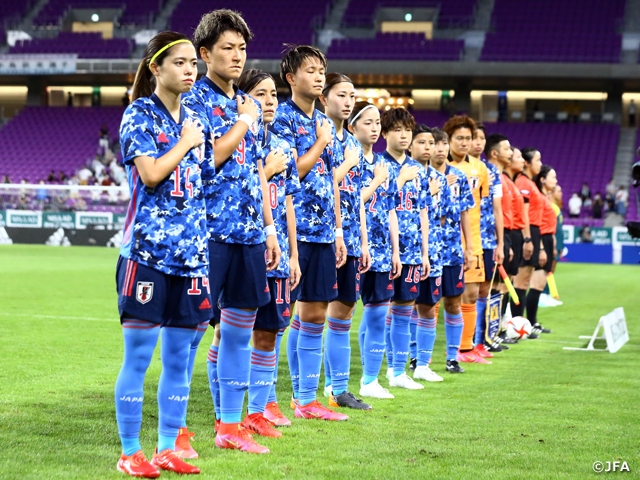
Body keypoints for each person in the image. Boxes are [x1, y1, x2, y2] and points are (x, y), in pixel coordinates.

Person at [114, 30, 211, 478]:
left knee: (178, 358)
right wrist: (187, 142)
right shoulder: (139, 115)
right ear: (156, 68)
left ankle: (167, 447)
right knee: (138, 356)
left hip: (191, 259)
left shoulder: (197, 119)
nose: (190, 70)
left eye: (194, 63)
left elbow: (203, 189)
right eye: (180, 63)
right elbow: (151, 173)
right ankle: (131, 451)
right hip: (147, 255)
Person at [185, 9, 281, 455]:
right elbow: (209, 160)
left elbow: (257, 173)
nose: (238, 56)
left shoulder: (245, 103)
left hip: (247, 236)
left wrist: (269, 229)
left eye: (242, 48)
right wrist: (244, 121)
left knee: (239, 332)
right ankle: (177, 426)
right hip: (208, 235)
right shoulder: (196, 100)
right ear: (205, 53)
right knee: (190, 332)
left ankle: (229, 426)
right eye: (227, 47)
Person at [272, 44, 348, 421]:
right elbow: (292, 173)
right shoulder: (282, 119)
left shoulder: (322, 119)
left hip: (321, 232)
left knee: (316, 313)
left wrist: (337, 229)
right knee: (278, 318)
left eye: (322, 71)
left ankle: (306, 400)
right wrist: (320, 141)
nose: (319, 77)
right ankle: (266, 401)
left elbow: (332, 181)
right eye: (311, 70)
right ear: (291, 77)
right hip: (290, 231)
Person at [236, 69, 301, 434]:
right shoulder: (239, 136)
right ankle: (229, 411)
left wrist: (293, 254)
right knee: (229, 330)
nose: (270, 100)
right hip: (246, 243)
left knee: (271, 329)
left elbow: (289, 201)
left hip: (277, 250)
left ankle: (263, 406)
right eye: (261, 94)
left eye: (274, 94)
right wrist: (266, 168)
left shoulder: (283, 143)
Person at [318, 73, 372, 410]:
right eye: (342, 94)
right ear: (325, 98)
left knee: (345, 312)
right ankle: (304, 390)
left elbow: (356, 199)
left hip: (351, 238)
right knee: (310, 313)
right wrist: (347, 166)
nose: (349, 101)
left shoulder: (351, 143)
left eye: (352, 95)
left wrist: (363, 241)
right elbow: (313, 182)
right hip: (320, 234)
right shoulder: (317, 132)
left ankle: (339, 389)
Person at [349, 101, 401, 399]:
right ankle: (334, 382)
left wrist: (395, 251)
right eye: (367, 122)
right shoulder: (347, 158)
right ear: (353, 126)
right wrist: (377, 181)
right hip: (353, 247)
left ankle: (370, 380)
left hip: (381, 251)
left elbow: (390, 209)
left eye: (376, 122)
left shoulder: (382, 164)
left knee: (377, 315)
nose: (374, 127)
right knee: (340, 316)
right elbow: (351, 200)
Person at [380, 107, 430, 389]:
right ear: (384, 133)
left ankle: (397, 372)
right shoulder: (378, 165)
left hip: (412, 251)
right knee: (376, 310)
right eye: (397, 129)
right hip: (383, 250)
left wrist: (424, 253)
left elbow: (423, 212)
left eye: (407, 130)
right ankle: (372, 373)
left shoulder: (418, 170)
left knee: (404, 310)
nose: (403, 135)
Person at [443, 115, 491, 365]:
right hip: (444, 240)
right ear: (448, 139)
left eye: (468, 138)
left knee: (471, 295)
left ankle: (465, 348)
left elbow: (478, 206)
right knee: (434, 300)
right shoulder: (440, 166)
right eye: (459, 138)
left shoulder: (479, 168)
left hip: (472, 238)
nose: (464, 143)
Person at [429, 128, 474, 373]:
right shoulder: (421, 176)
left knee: (453, 303)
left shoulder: (459, 176)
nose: (440, 148)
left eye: (443, 143)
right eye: (436, 144)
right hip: (427, 250)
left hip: (453, 251)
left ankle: (452, 357)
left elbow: (464, 213)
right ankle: (419, 357)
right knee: (424, 304)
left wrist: (468, 248)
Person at [411, 124, 451, 381]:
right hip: (406, 251)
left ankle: (423, 364)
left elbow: (444, 218)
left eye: (431, 143)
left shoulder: (441, 179)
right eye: (423, 143)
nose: (429, 148)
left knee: (428, 307)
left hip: (433, 252)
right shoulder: (402, 173)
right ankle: (398, 363)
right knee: (397, 308)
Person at [473, 127, 505, 358]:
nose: (478, 142)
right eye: (474, 138)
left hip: (487, 238)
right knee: (462, 294)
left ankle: (478, 342)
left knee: (484, 290)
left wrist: (500, 242)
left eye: (482, 138)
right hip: (464, 237)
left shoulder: (492, 171)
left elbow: (497, 208)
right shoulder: (455, 169)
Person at [513, 148, 550, 338]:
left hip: (533, 231)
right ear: (527, 163)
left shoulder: (530, 184)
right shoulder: (523, 183)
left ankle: (519, 325)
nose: (540, 164)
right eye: (538, 159)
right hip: (527, 231)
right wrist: (527, 238)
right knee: (519, 280)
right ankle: (515, 324)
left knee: (524, 281)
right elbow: (524, 213)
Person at [527, 165, 558, 331]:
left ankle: (533, 322)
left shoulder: (546, 198)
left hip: (547, 239)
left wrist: (552, 242)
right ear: (543, 179)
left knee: (538, 285)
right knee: (535, 285)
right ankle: (529, 322)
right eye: (553, 177)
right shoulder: (538, 197)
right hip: (540, 240)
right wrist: (540, 247)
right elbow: (536, 224)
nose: (556, 180)